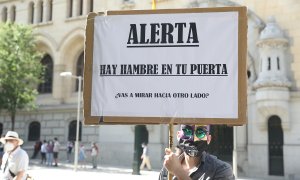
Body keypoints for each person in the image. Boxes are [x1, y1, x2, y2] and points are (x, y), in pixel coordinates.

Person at [159, 125, 235, 180]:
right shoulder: (168, 168)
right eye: (187, 132)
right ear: (178, 135)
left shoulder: (220, 170)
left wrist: (178, 171)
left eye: (200, 133)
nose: (192, 138)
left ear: (208, 139)